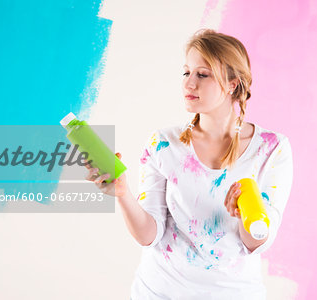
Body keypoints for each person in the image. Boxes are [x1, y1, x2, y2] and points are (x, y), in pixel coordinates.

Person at [83, 28, 293, 300]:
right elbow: (150, 235)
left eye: (202, 74)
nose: (188, 84)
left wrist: (245, 213)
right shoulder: (163, 144)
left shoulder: (271, 149)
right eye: (186, 73)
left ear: (233, 84)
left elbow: (256, 241)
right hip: (159, 292)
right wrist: (123, 193)